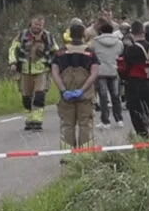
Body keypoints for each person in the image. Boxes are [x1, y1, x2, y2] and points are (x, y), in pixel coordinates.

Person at [51, 21, 99, 149]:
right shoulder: (90, 52)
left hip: (65, 95)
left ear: (70, 35)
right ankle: (86, 155)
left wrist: (63, 90)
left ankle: (67, 156)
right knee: (85, 125)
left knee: (67, 125)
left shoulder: (60, 53)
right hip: (85, 96)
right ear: (83, 34)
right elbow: (94, 74)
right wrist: (82, 90)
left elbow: (55, 73)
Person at [8, 14, 56, 131]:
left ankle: (37, 120)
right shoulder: (22, 35)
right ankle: (29, 119)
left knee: (39, 95)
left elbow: (55, 51)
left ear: (43, 25)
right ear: (31, 23)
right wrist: (13, 62)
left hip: (42, 71)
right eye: (35, 24)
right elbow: (13, 49)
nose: (37, 27)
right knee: (26, 97)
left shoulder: (48, 36)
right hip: (25, 71)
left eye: (40, 25)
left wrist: (54, 65)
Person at [118, 21, 149, 138]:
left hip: (134, 82)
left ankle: (142, 134)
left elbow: (124, 67)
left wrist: (123, 77)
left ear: (132, 33)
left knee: (135, 109)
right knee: (146, 106)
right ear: (144, 32)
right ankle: (145, 122)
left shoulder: (131, 49)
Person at [91, 19, 125, 127]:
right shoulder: (119, 42)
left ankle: (105, 121)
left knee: (103, 97)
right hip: (113, 70)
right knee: (115, 96)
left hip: (101, 71)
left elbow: (92, 52)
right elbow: (120, 52)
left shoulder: (95, 41)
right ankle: (119, 119)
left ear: (100, 31)